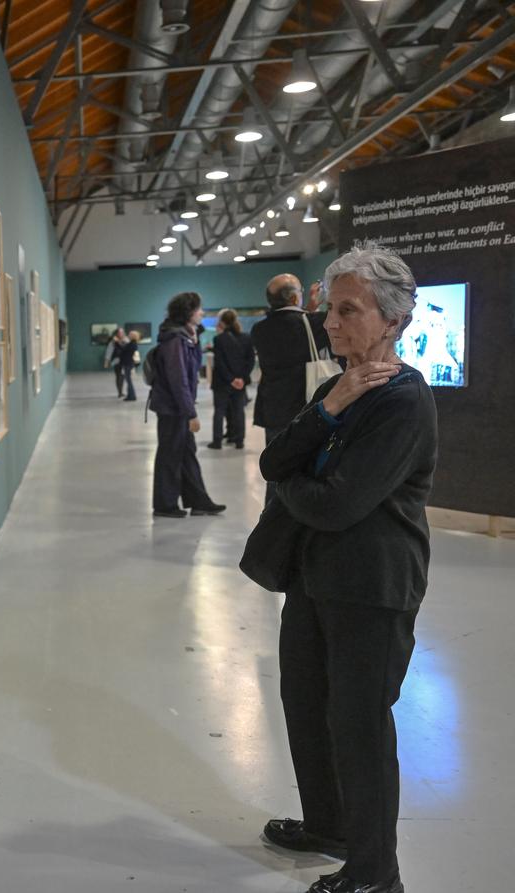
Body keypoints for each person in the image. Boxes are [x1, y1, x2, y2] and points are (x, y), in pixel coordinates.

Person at [253, 244, 436, 893]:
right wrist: (326, 412)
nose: (330, 322)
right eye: (330, 309)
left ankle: (375, 872)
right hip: (315, 577)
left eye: (347, 309)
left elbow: (336, 505)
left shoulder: (403, 401)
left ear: (390, 319)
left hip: (372, 587)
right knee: (305, 704)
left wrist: (295, 482)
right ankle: (328, 823)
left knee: (358, 724)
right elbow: (274, 461)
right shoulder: (341, 386)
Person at [252, 274, 330, 498]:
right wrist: (312, 309)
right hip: (305, 405)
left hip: (273, 407)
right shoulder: (315, 323)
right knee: (306, 469)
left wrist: (308, 308)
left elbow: (289, 327)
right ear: (296, 297)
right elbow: (304, 329)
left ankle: (271, 523)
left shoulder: (260, 330)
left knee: (276, 466)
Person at [148, 292, 225, 519]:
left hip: (179, 406)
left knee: (186, 453)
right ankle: (164, 504)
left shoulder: (186, 336)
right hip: (173, 409)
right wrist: (190, 413)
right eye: (199, 309)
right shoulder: (175, 340)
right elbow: (178, 379)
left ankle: (199, 501)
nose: (202, 312)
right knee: (170, 455)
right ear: (188, 312)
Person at [210, 309, 256, 449]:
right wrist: (241, 378)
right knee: (238, 411)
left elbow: (220, 362)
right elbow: (251, 360)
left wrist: (231, 379)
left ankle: (217, 441)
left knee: (219, 411)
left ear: (222, 322)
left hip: (222, 382)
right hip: (240, 383)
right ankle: (239, 440)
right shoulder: (246, 337)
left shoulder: (219, 339)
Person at [104, 327, 127, 398]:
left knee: (122, 377)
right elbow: (109, 351)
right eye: (119, 332)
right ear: (117, 333)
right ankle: (119, 392)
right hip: (116, 361)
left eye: (122, 332)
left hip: (125, 361)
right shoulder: (112, 342)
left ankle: (121, 391)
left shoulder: (126, 340)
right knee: (118, 376)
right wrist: (106, 362)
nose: (121, 334)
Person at [118, 330, 141, 401]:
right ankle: (130, 395)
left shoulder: (132, 344)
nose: (128, 335)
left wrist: (119, 343)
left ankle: (132, 396)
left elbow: (124, 350)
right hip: (128, 363)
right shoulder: (132, 343)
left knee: (129, 381)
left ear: (133, 336)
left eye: (130, 334)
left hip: (128, 364)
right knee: (128, 380)